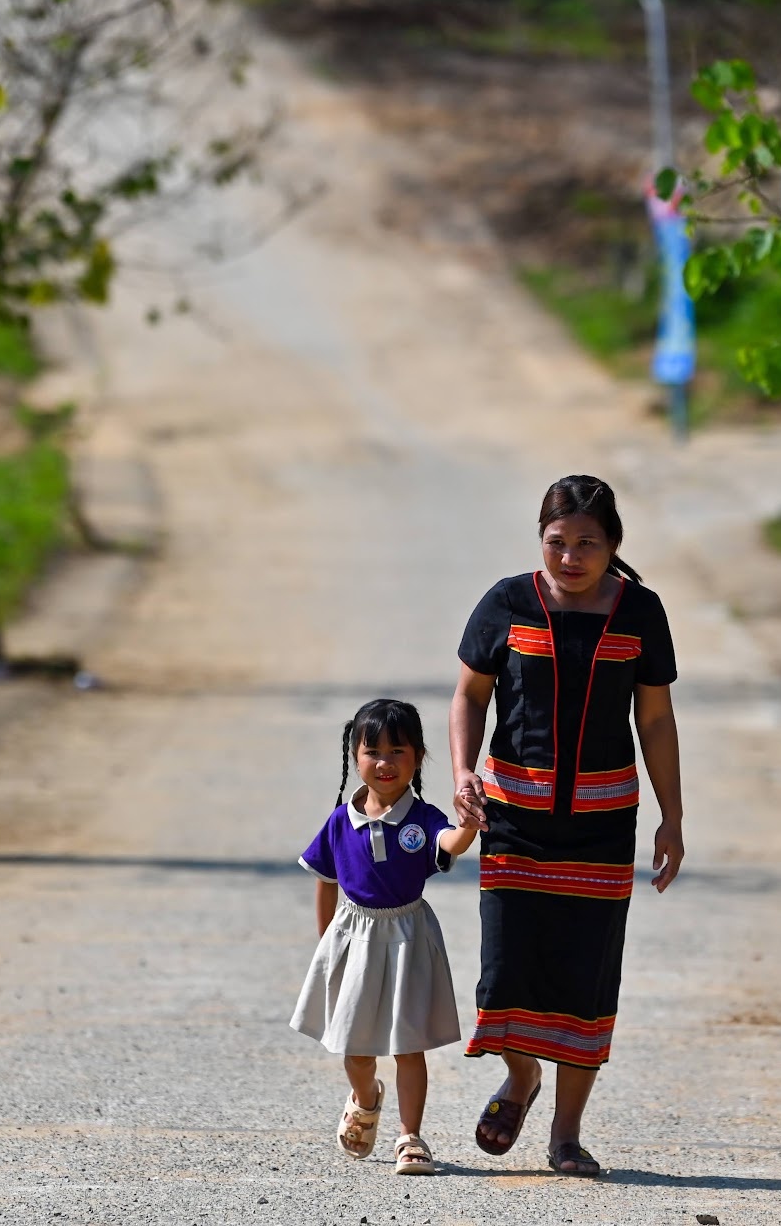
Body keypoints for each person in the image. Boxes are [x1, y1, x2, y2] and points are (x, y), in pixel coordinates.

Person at [451, 474, 684, 1177]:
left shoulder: (641, 612)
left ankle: (565, 1135)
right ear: (541, 542)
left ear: (613, 546)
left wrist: (672, 817)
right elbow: (469, 694)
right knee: (506, 973)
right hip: (514, 821)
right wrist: (464, 774)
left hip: (603, 828)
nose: (571, 557)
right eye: (558, 542)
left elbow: (656, 718)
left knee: (585, 981)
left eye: (588, 543)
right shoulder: (507, 603)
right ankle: (521, 1080)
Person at [291, 699, 479, 1175]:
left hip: (408, 936)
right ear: (354, 756)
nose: (385, 761)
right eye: (372, 750)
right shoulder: (340, 820)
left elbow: (448, 844)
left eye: (398, 750)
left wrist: (469, 825)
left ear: (417, 757)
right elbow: (325, 880)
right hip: (354, 936)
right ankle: (366, 1096)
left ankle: (410, 1138)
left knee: (407, 1043)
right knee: (356, 1050)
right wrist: (326, 942)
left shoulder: (424, 818)